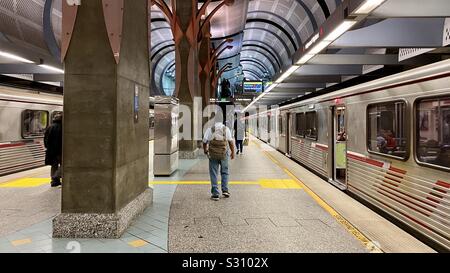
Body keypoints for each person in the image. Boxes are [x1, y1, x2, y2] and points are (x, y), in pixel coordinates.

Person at [203, 117, 235, 201]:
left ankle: (215, 194)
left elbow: (204, 141)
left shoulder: (210, 129)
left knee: (214, 173)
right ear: (223, 121)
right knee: (225, 172)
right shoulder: (226, 129)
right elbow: (230, 142)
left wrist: (205, 150)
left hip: (213, 154)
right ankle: (225, 190)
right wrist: (233, 152)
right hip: (224, 154)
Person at [44, 113, 63, 187]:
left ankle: (54, 181)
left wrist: (48, 148)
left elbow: (45, 139)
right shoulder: (62, 127)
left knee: (54, 166)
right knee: (63, 165)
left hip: (51, 150)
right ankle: (56, 177)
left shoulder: (50, 127)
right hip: (60, 150)